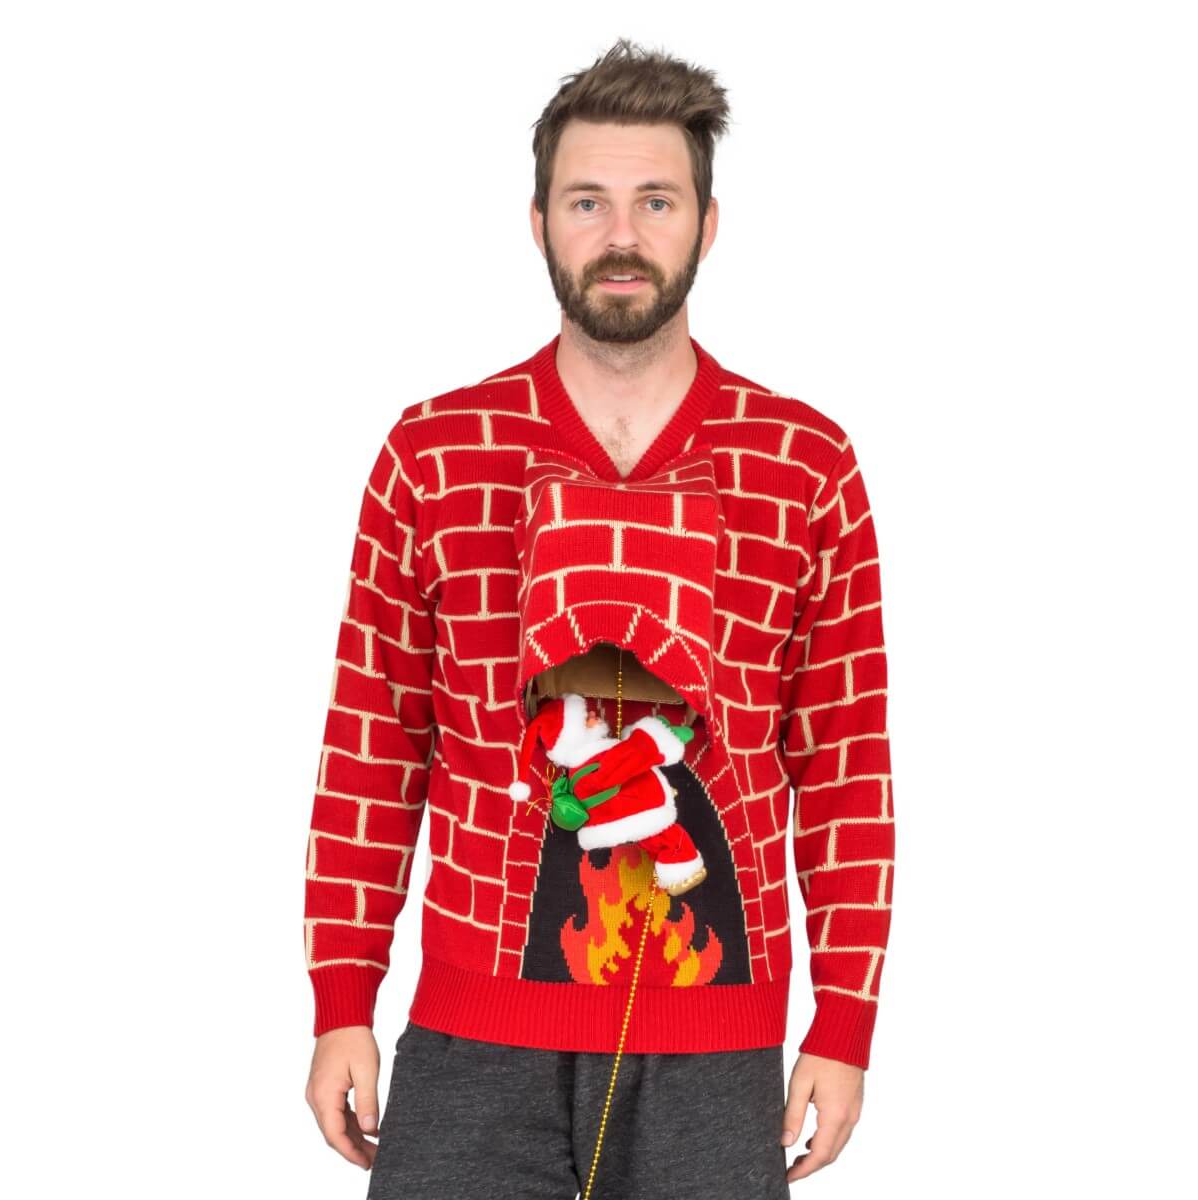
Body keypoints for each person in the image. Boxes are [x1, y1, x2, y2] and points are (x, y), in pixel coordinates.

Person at [303, 37, 895, 1199]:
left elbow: (844, 766)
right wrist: (341, 1000)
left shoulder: (806, 462)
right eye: (588, 201)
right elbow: (373, 745)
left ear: (707, 225)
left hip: (718, 1046)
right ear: (539, 223)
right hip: (471, 1041)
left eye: (655, 201)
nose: (621, 235)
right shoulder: (433, 452)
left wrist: (845, 1023)